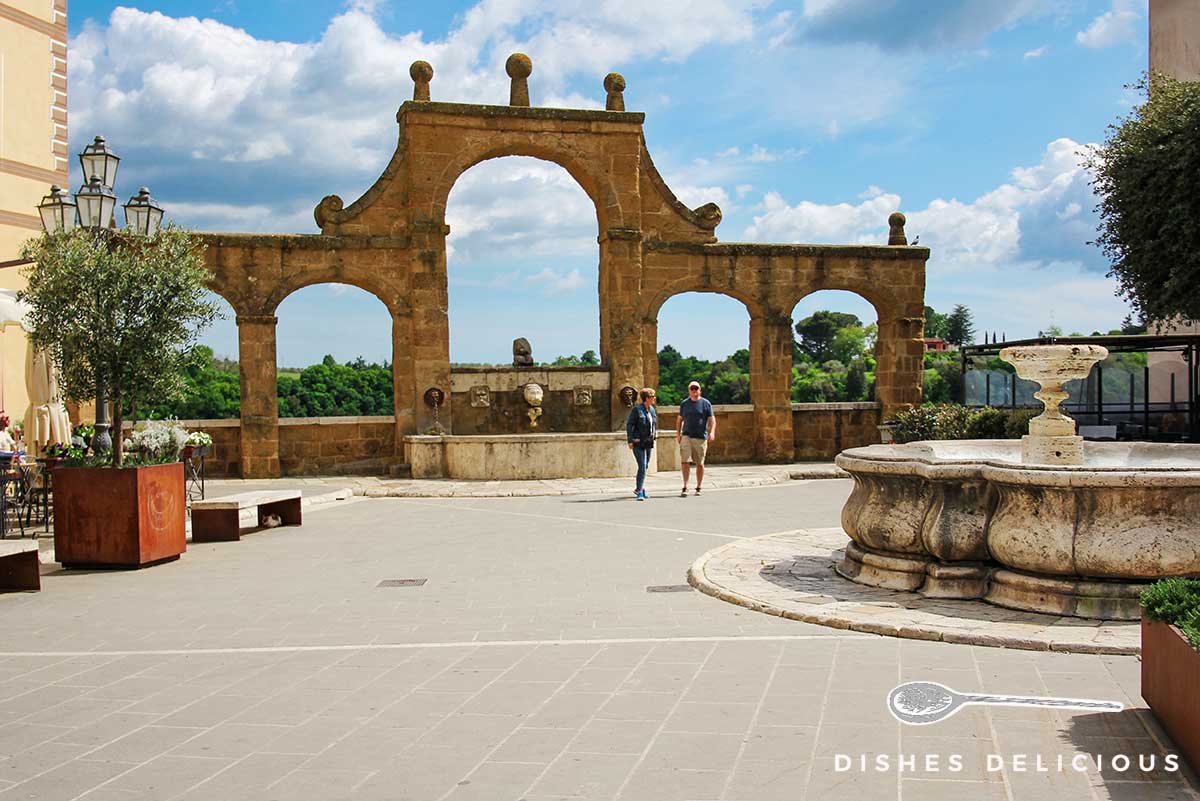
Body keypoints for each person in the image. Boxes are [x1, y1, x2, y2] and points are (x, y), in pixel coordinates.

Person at [677, 380, 715, 496]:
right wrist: (678, 434)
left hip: (700, 436)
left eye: (696, 388)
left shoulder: (705, 403)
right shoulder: (684, 403)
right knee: (685, 461)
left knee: (700, 463)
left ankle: (698, 486)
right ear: (689, 390)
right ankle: (685, 485)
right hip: (686, 435)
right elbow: (679, 419)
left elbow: (712, 419)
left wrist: (712, 432)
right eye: (692, 389)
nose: (694, 391)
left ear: (700, 390)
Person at [626, 387, 657, 500]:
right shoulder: (637, 410)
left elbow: (653, 425)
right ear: (647, 398)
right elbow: (630, 425)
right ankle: (639, 490)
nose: (654, 398)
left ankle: (640, 487)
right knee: (642, 466)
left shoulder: (652, 410)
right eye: (652, 396)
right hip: (638, 441)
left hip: (648, 441)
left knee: (646, 465)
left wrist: (654, 436)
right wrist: (630, 439)